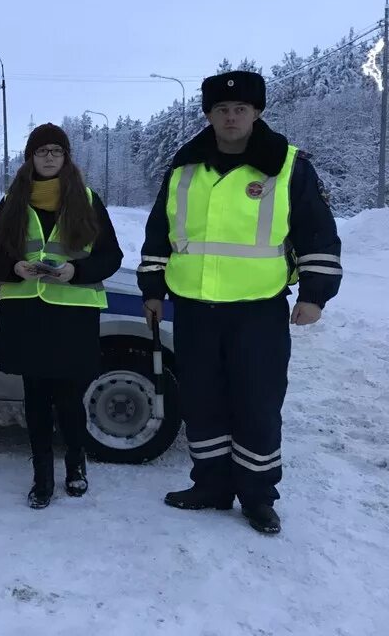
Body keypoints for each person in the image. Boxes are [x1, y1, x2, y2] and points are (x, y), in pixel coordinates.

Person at [138, 70, 342, 535]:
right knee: (202, 401)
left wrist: (315, 294)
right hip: (194, 309)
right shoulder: (185, 166)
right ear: (209, 114)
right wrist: (152, 288)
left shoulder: (288, 165)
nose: (231, 117)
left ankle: (257, 497)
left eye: (240, 109)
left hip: (258, 309)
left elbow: (318, 233)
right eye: (222, 110)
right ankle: (210, 485)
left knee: (257, 403)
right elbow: (159, 232)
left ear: (257, 113)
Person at [0, 124, 122, 509]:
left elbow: (111, 257)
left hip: (72, 314)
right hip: (27, 312)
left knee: (68, 399)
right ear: (30, 157)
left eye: (56, 151)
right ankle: (42, 476)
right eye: (42, 151)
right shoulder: (13, 200)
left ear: (66, 158)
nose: (49, 157)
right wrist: (13, 268)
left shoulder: (88, 199)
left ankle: (75, 465)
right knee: (35, 399)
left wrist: (75, 272)